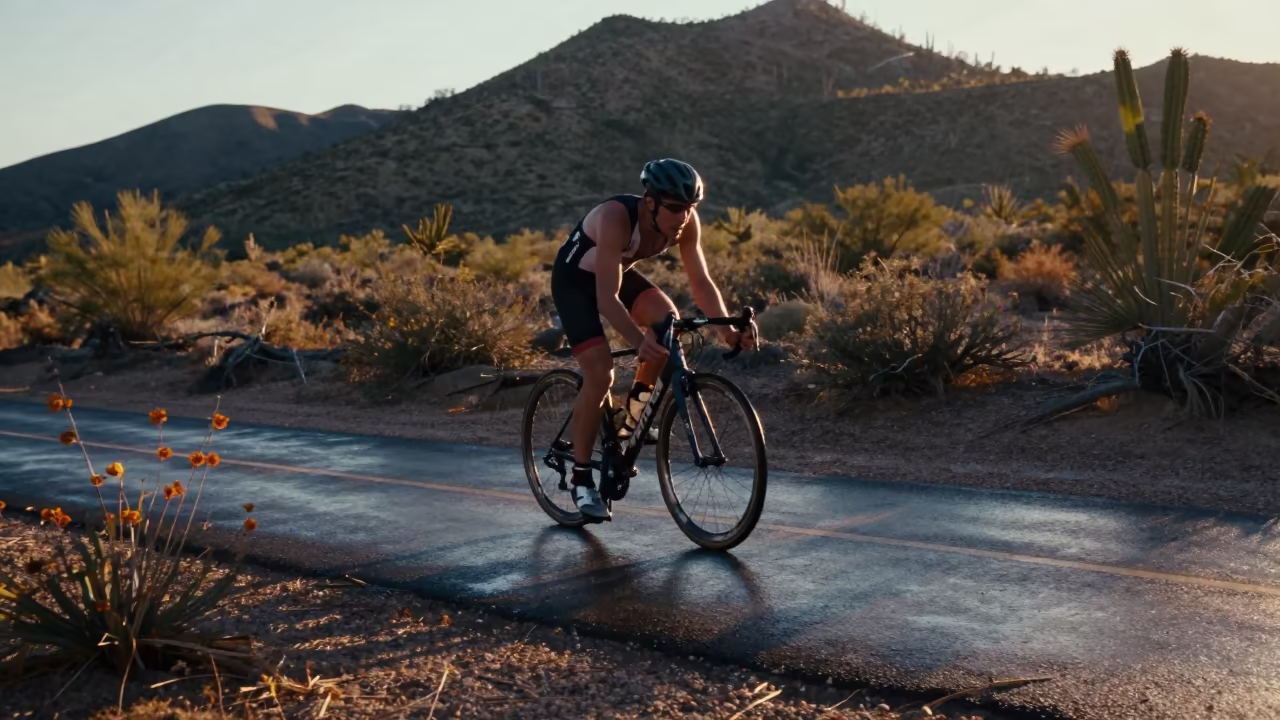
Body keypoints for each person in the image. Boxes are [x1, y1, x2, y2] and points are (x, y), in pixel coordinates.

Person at [549, 158, 755, 523]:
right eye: (675, 208)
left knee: (667, 323)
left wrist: (727, 332)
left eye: (690, 209)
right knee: (601, 374)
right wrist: (635, 340)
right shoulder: (616, 218)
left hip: (613, 275)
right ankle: (582, 478)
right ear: (650, 202)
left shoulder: (686, 224)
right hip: (576, 282)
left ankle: (629, 420)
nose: (683, 217)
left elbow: (700, 282)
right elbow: (604, 299)